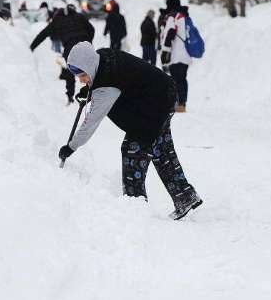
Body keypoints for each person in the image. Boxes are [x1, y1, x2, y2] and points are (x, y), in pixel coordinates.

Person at [58, 42, 203, 220]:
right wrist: (89, 90)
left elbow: (91, 123)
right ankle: (185, 196)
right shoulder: (102, 57)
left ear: (89, 66)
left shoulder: (106, 87)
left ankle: (136, 210)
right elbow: (118, 77)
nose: (80, 80)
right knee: (161, 150)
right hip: (165, 92)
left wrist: (71, 147)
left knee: (133, 152)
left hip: (156, 104)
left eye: (82, 75)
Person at [30, 5, 95, 104]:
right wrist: (88, 41)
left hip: (70, 48)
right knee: (91, 69)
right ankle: (95, 93)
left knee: (70, 73)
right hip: (86, 45)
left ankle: (70, 96)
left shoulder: (58, 20)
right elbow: (91, 29)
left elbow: (43, 34)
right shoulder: (79, 16)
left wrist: (31, 47)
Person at [160, 0, 192, 113]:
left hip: (176, 54)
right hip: (186, 54)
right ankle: (182, 104)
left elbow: (170, 33)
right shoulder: (184, 16)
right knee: (182, 79)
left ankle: (178, 103)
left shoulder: (172, 17)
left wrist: (165, 52)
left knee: (175, 80)